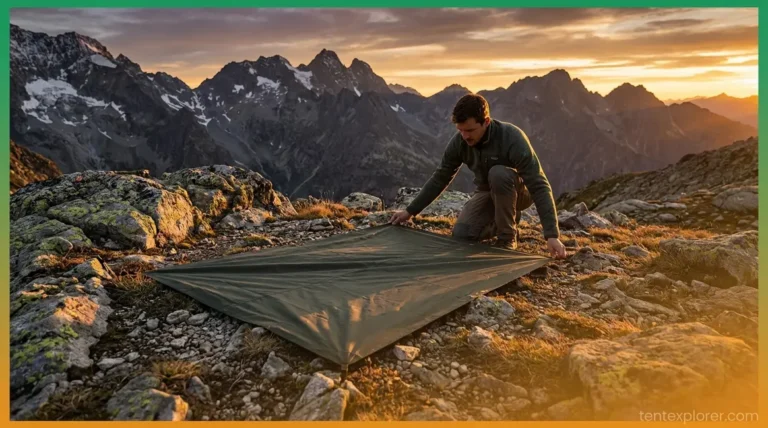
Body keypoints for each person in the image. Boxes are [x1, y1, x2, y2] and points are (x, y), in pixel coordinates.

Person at [389, 93, 567, 259]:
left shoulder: (512, 137)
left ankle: (507, 237)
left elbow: (539, 185)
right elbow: (441, 176)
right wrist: (410, 211)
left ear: (486, 122)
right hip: (488, 191)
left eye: (470, 130)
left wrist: (551, 235)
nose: (465, 136)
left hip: (519, 192)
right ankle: (506, 220)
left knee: (499, 173)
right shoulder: (460, 142)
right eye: (460, 130)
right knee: (462, 234)